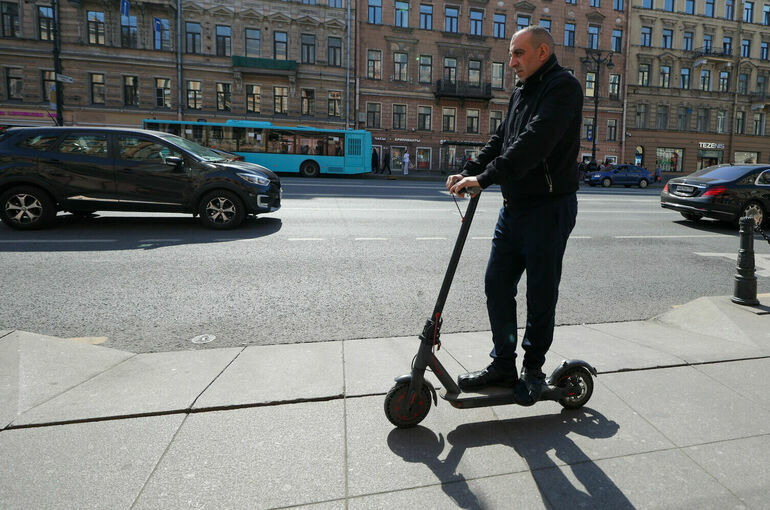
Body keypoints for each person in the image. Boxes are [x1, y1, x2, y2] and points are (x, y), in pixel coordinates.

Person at [445, 25, 582, 406]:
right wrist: (470, 169)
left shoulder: (563, 87)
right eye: (510, 54)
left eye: (518, 53)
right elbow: (502, 139)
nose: (511, 62)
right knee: (497, 285)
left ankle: (533, 371)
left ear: (542, 52)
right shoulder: (521, 91)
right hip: (515, 208)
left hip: (549, 209)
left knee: (541, 295)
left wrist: (485, 179)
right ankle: (503, 364)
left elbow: (535, 142)